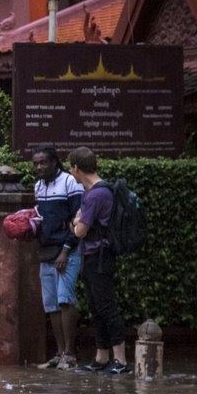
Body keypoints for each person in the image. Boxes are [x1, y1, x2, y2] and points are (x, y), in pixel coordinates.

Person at [67, 147, 131, 374]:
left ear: (76, 168)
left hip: (100, 257)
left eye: (71, 168)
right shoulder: (95, 191)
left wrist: (75, 224)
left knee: (106, 306)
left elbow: (80, 230)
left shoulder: (95, 194)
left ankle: (120, 361)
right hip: (93, 255)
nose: (71, 173)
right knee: (96, 306)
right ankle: (102, 357)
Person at [32, 147, 83, 370]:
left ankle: (70, 354)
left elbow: (78, 218)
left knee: (65, 300)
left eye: (43, 163)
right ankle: (60, 352)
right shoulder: (38, 186)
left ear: (55, 163)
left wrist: (66, 249)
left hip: (67, 251)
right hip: (47, 251)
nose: (39, 167)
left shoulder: (70, 182)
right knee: (51, 304)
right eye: (36, 164)